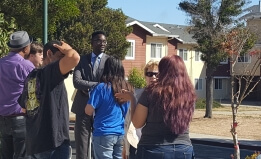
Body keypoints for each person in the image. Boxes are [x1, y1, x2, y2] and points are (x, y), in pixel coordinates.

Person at [116, 55, 196, 159]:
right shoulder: (189, 94)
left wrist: (132, 98)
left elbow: (137, 123)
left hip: (153, 148)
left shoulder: (151, 91)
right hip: (184, 149)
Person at [18, 40, 80, 159]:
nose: (64, 60)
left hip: (35, 143)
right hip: (53, 143)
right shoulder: (51, 72)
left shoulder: (32, 76)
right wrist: (68, 49)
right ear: (50, 54)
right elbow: (74, 58)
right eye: (61, 56)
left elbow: (24, 107)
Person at [85, 56, 133, 159]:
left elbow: (88, 110)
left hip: (103, 132)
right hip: (120, 133)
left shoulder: (101, 87)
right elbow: (126, 112)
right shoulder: (127, 89)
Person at [71, 31, 109, 159]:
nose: (102, 44)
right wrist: (98, 85)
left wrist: (88, 86)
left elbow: (110, 84)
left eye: (104, 41)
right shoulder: (82, 60)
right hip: (82, 107)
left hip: (102, 109)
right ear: (92, 43)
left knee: (99, 145)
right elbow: (76, 82)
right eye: (99, 41)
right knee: (82, 144)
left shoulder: (110, 61)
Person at [0, 31, 35, 159]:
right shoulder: (26, 66)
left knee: (5, 154)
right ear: (26, 48)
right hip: (20, 116)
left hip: (3, 117)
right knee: (22, 155)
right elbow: (35, 92)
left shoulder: (1, 63)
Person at [122, 60, 159, 159]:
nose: (153, 77)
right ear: (145, 76)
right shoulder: (137, 94)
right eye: (149, 74)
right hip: (136, 143)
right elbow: (128, 121)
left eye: (156, 74)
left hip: (156, 146)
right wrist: (125, 146)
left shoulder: (165, 97)